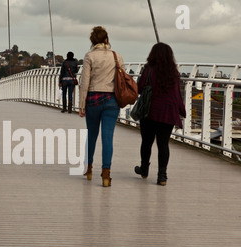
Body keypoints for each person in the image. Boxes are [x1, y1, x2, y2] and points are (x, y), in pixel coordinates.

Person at [134, 42, 186, 186]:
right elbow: (177, 94)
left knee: (147, 142)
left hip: (150, 111)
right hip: (168, 112)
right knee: (163, 144)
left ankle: (144, 169)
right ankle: (162, 176)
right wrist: (181, 110)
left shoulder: (148, 69)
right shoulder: (173, 72)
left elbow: (139, 88)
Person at [79, 26, 124, 187]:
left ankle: (89, 168)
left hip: (92, 100)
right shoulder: (117, 56)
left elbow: (84, 82)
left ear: (93, 42)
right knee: (107, 138)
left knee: (92, 135)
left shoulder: (89, 56)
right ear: (106, 40)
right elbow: (122, 80)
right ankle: (106, 174)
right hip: (112, 101)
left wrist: (82, 104)